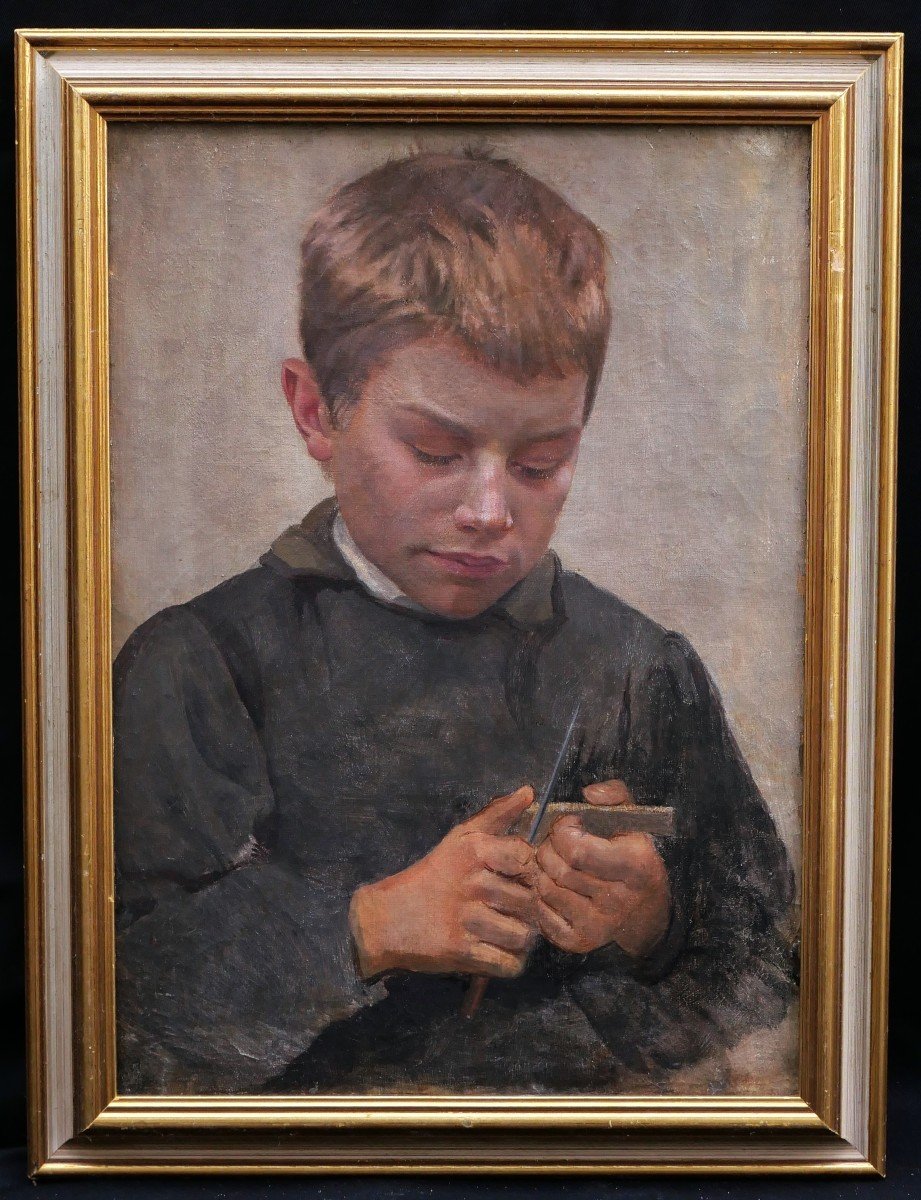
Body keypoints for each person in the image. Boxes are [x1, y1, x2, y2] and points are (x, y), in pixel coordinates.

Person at [113, 150, 797, 1095]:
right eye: (436, 452)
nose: (488, 509)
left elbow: (772, 959)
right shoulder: (201, 663)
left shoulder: (638, 668)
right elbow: (115, 996)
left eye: (540, 462)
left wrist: (652, 918)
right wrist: (373, 928)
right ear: (316, 412)